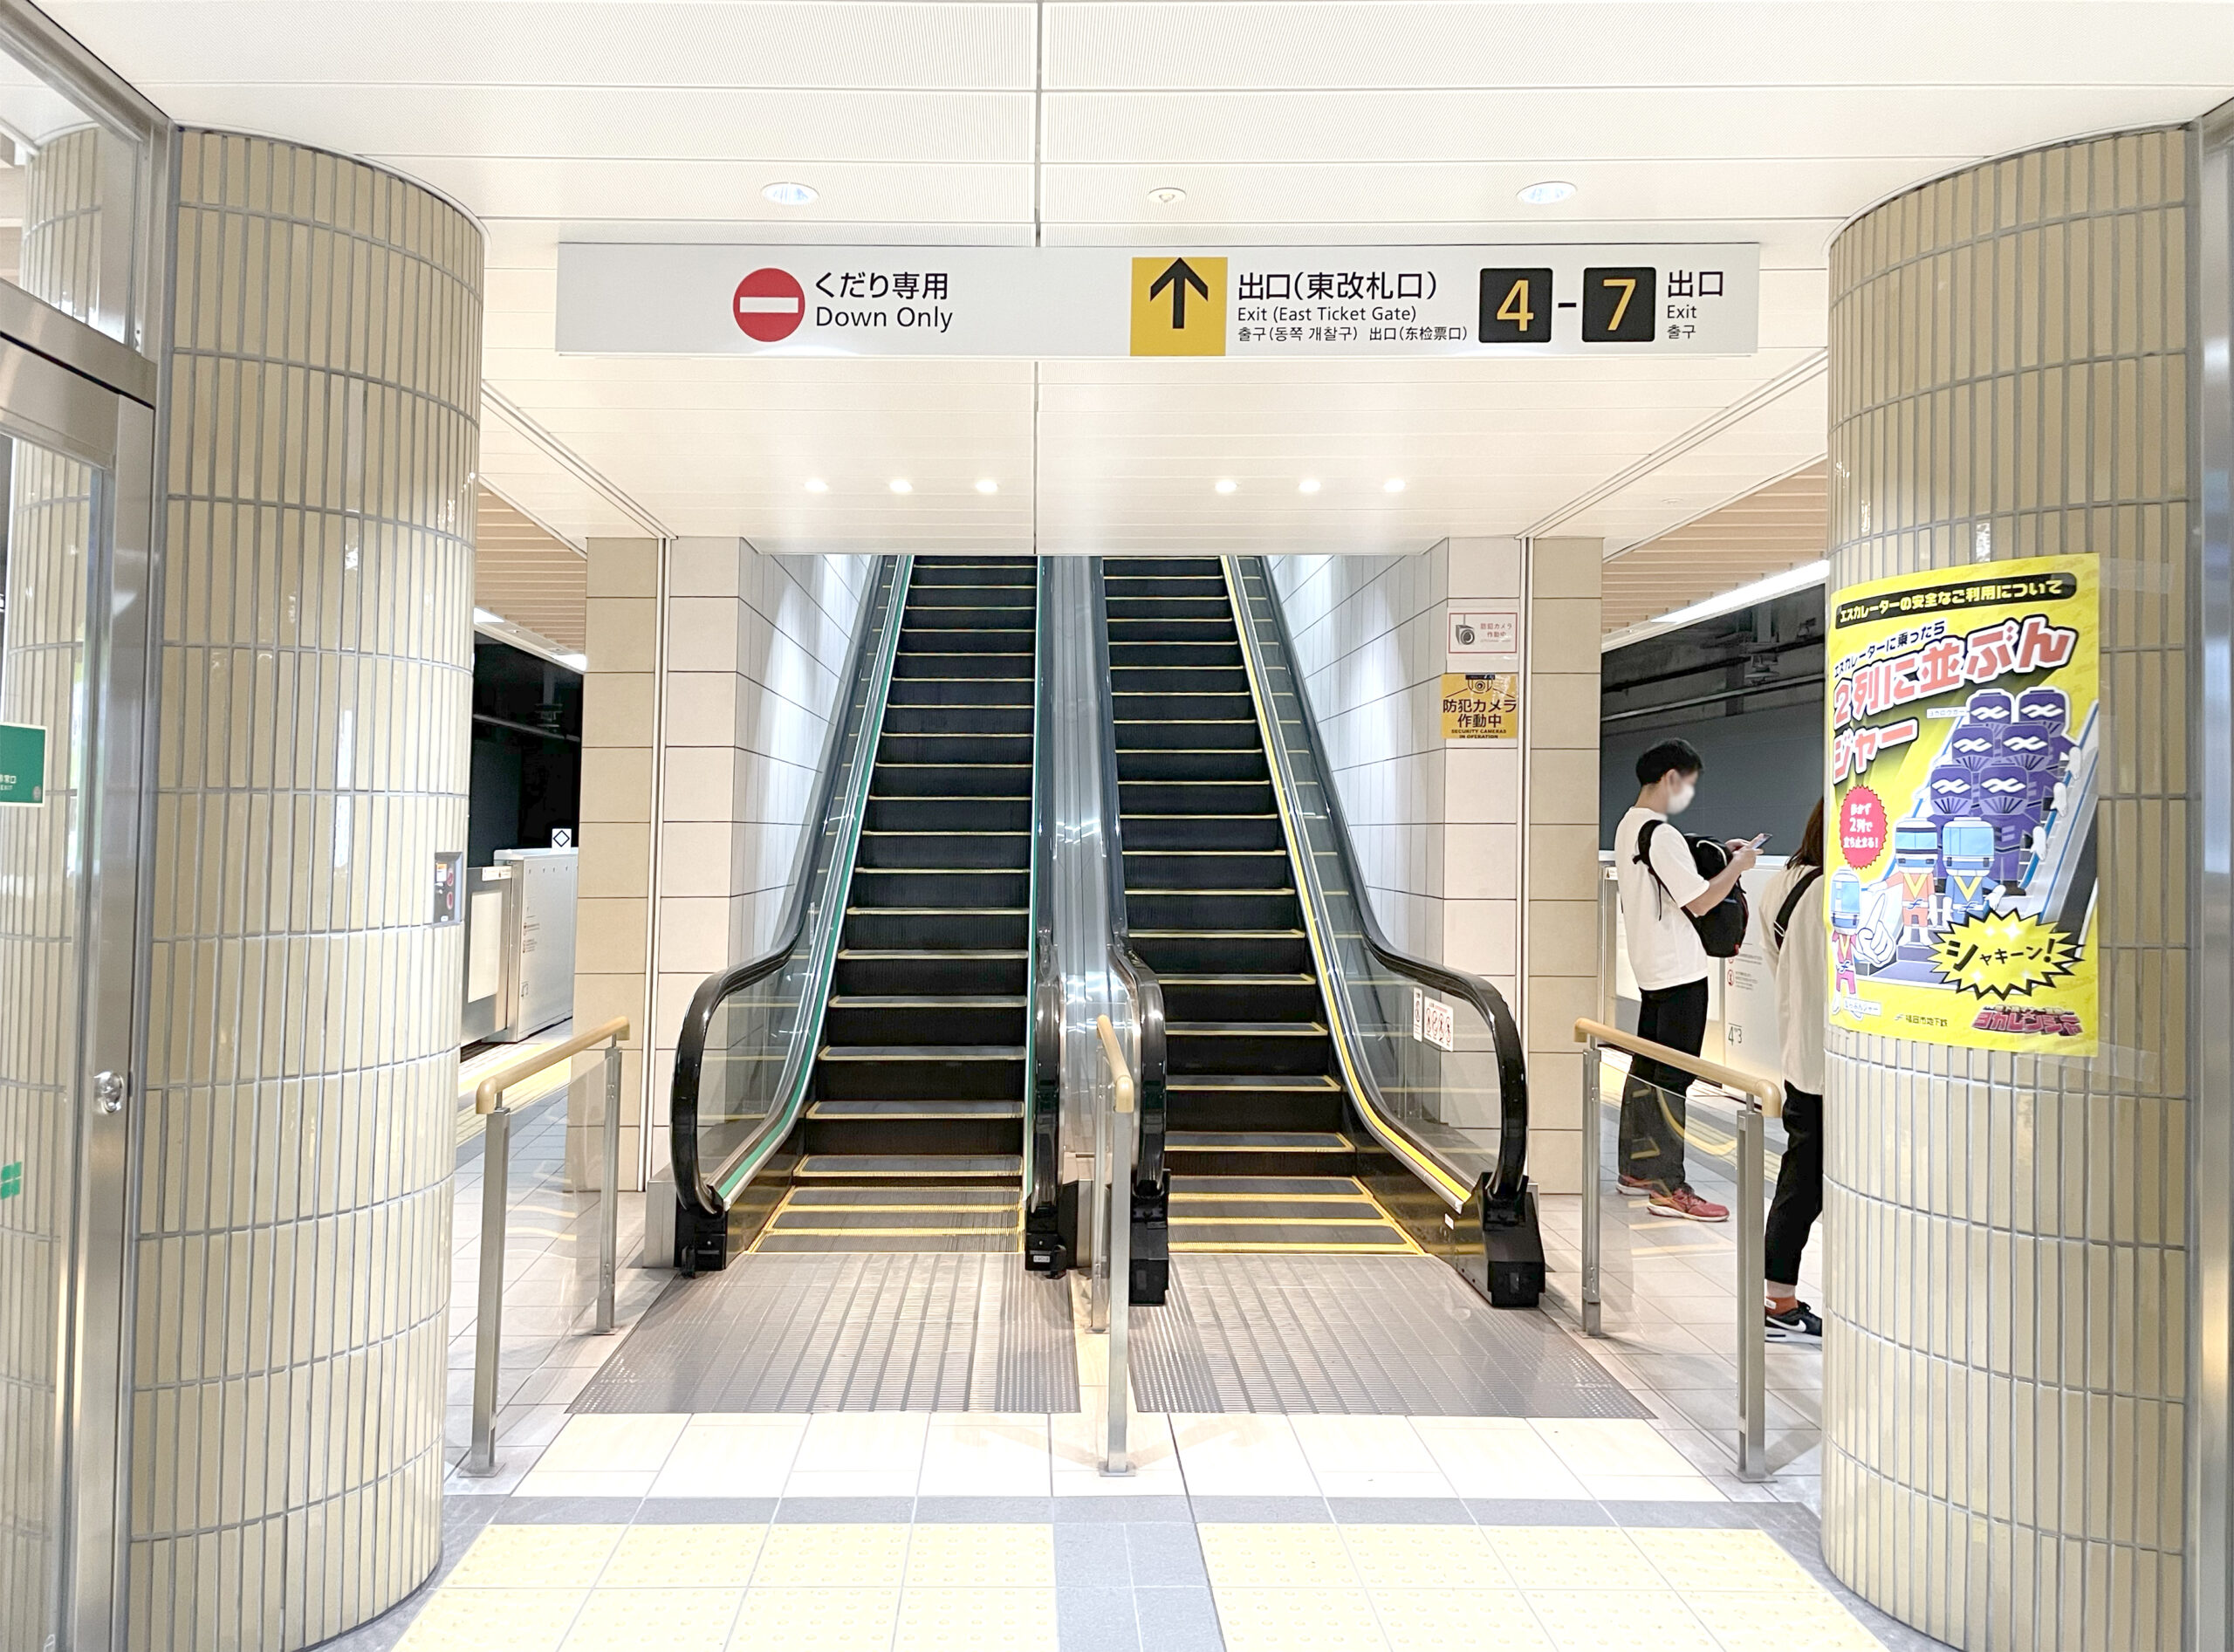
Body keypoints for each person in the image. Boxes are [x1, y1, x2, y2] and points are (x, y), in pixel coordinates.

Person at [1612, 739, 1759, 1220]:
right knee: (1673, 1080)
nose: (1688, 794)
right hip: (1682, 975)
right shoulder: (1660, 833)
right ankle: (1669, 1187)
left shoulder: (1629, 827)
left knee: (1647, 1071)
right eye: (1688, 784)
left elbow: (1674, 880)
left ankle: (1636, 1170)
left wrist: (1720, 853)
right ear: (1671, 778)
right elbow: (1699, 902)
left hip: (1652, 972)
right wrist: (1737, 867)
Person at [1759, 799, 1827, 1338]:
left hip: (1799, 1056)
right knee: (1811, 1187)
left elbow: (1777, 962)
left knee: (1799, 1181)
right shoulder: (1839, 892)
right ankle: (1778, 1303)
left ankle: (1778, 1295)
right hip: (1840, 1067)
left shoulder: (1783, 882)